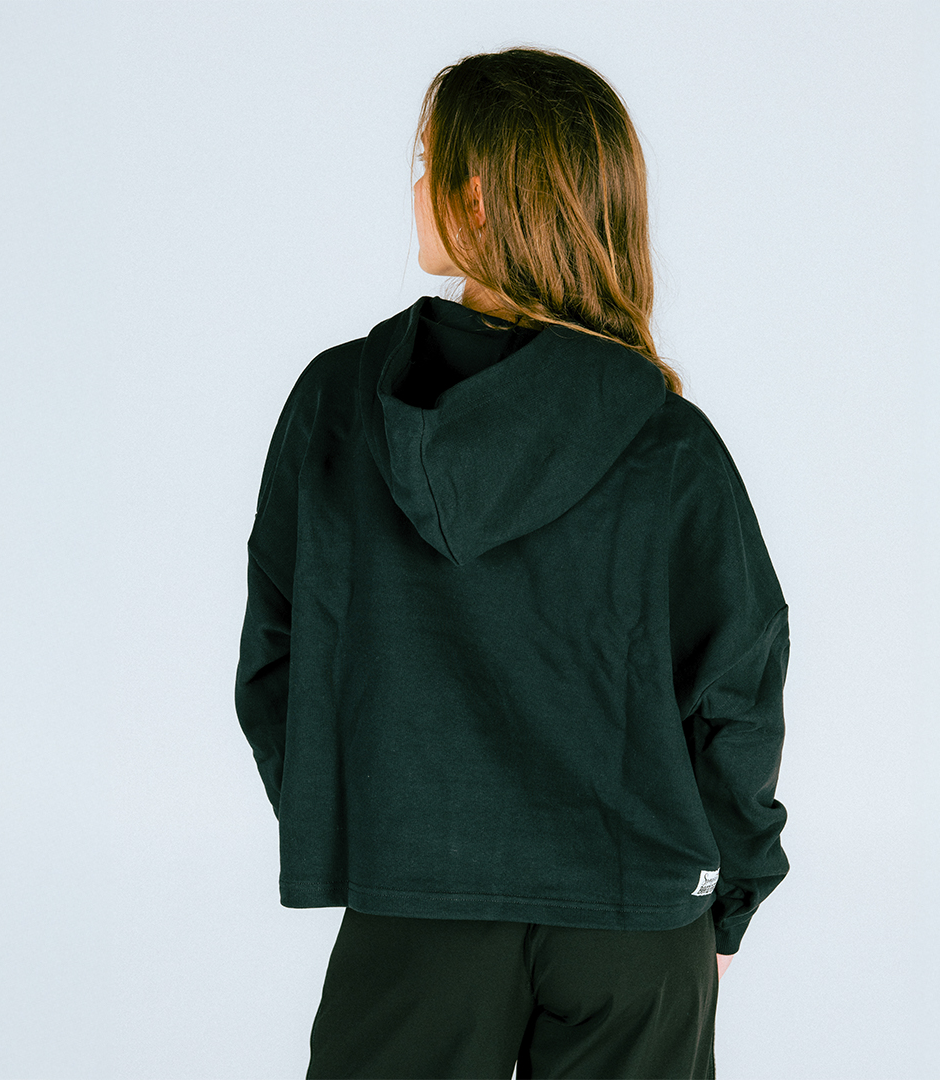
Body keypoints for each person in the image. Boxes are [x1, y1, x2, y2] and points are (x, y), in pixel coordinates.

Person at [235, 46, 790, 1080]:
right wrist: (728, 900)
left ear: (479, 193)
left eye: (426, 161)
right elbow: (736, 695)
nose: (414, 186)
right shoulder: (669, 442)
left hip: (415, 912)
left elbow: (280, 659)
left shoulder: (340, 407)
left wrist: (379, 824)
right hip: (634, 925)